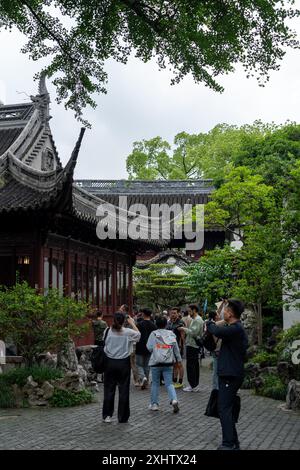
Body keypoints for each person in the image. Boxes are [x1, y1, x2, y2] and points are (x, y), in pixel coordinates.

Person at [207, 299, 248, 450]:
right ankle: (233, 443)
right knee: (226, 409)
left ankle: (228, 443)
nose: (223, 312)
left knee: (223, 409)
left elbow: (216, 331)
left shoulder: (235, 328)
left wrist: (210, 322)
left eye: (225, 310)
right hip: (230, 373)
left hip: (230, 374)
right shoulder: (234, 328)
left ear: (230, 313)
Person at [102, 312, 141, 424]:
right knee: (123, 390)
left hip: (109, 363)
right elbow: (139, 335)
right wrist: (132, 323)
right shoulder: (128, 332)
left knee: (109, 390)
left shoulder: (107, 331)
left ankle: (107, 415)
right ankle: (122, 417)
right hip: (123, 363)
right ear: (124, 321)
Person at [147, 316, 182, 413]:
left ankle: (154, 404)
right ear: (166, 324)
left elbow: (149, 347)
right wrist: (178, 360)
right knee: (169, 383)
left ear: (156, 324)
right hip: (168, 362)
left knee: (155, 383)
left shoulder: (153, 334)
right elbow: (176, 349)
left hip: (155, 362)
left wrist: (157, 348)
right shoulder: (171, 334)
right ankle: (174, 399)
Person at [178, 304, 204, 392]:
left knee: (191, 365)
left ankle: (193, 385)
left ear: (194, 310)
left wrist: (183, 329)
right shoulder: (196, 319)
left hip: (193, 345)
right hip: (192, 345)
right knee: (194, 365)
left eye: (190, 311)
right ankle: (194, 384)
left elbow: (194, 333)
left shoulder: (197, 320)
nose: (189, 313)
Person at [136, 308, 157, 390]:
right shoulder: (154, 325)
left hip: (140, 347)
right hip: (150, 348)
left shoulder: (139, 324)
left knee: (139, 365)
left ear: (143, 314)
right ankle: (146, 382)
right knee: (147, 366)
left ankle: (143, 377)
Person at [120, 304, 140, 386]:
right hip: (132, 343)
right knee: (133, 363)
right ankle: (137, 381)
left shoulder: (124, 318)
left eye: (121, 308)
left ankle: (125, 380)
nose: (119, 309)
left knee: (127, 362)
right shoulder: (132, 318)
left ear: (124, 309)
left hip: (126, 343)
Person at [167, 307, 185, 389]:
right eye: (171, 313)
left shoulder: (180, 323)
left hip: (178, 346)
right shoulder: (169, 322)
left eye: (174, 313)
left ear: (178, 313)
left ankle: (180, 381)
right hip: (170, 346)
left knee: (180, 364)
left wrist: (182, 345)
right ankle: (174, 381)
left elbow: (182, 336)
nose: (173, 314)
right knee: (174, 364)